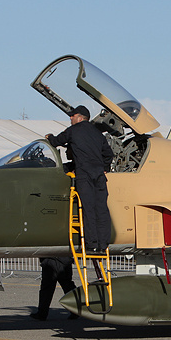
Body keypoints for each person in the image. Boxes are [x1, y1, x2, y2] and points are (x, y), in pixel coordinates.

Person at [47, 106, 113, 253]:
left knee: (88, 208)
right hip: (99, 176)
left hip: (85, 175)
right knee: (102, 210)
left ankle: (92, 245)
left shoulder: (73, 131)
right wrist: (105, 168)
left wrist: (49, 137)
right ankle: (103, 245)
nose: (70, 118)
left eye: (72, 116)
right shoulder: (98, 134)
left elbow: (57, 141)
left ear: (81, 117)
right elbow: (108, 154)